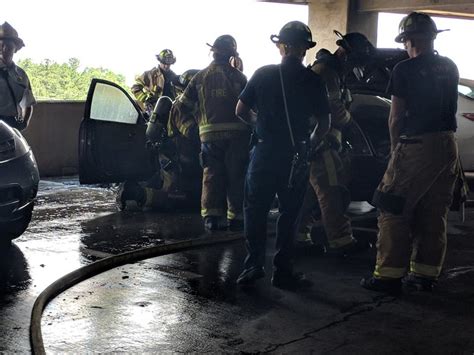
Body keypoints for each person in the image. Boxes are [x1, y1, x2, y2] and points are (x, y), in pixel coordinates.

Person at [360, 12, 459, 295]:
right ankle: (425, 274)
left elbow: (395, 117)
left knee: (391, 206)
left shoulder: (404, 69)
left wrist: (395, 151)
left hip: (416, 146)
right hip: (447, 146)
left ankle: (388, 276)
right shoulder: (449, 66)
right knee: (433, 210)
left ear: (409, 39)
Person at [235, 21, 330, 290]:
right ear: (304, 50)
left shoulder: (263, 74)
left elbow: (240, 110)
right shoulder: (313, 80)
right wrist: (308, 145)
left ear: (282, 47)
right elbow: (324, 125)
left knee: (255, 210)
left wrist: (258, 124)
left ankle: (253, 265)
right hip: (295, 157)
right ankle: (283, 271)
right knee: (289, 214)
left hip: (264, 153)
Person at [298, 31, 375, 254]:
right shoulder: (327, 73)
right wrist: (351, 125)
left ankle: (298, 237)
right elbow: (336, 110)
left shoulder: (331, 72)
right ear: (346, 54)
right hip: (322, 143)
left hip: (317, 142)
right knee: (334, 192)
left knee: (308, 194)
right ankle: (341, 241)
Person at [174, 35, 250, 231]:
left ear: (214, 52)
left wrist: (192, 128)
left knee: (211, 176)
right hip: (237, 138)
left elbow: (181, 107)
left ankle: (212, 218)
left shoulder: (199, 78)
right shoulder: (240, 78)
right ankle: (237, 217)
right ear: (232, 54)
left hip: (209, 138)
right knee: (237, 176)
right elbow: (252, 109)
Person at [0, 22, 36, 131]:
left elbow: (28, 103)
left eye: (8, 46)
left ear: (15, 49)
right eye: (0, 45)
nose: (3, 49)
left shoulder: (21, 75)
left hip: (11, 125)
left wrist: (24, 123)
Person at [131, 49, 179, 115]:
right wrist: (145, 99)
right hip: (153, 110)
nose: (166, 66)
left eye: (169, 64)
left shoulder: (174, 77)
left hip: (170, 110)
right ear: (160, 61)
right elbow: (135, 88)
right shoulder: (150, 74)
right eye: (164, 63)